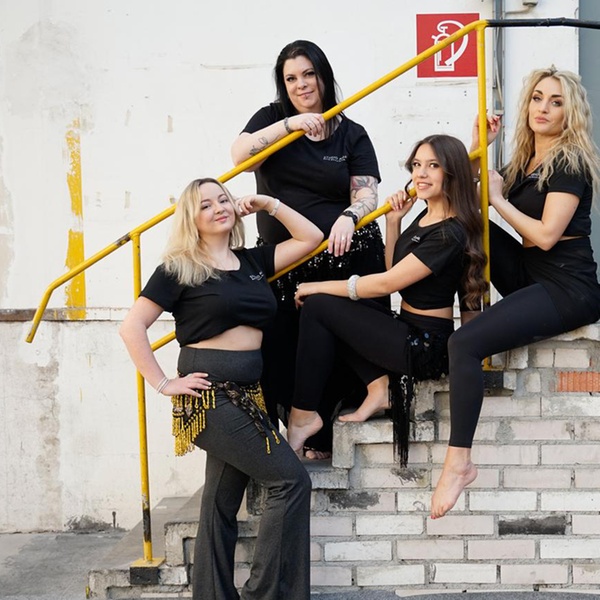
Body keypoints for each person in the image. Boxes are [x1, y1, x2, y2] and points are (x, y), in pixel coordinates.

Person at [119, 178, 323, 600]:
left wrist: (268, 202)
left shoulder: (252, 261)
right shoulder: (178, 268)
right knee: (291, 482)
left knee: (219, 505)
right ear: (191, 219)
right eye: (205, 204)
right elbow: (132, 327)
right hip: (209, 397)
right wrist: (163, 383)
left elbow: (311, 237)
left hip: (250, 394)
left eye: (223, 199)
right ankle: (263, 594)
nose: (218, 208)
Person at [432, 67, 600, 519]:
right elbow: (464, 196)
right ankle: (444, 324)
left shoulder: (569, 163)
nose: (543, 108)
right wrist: (477, 144)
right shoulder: (524, 161)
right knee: (461, 228)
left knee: (464, 344)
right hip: (530, 274)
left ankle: (459, 462)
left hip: (567, 286)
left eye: (556, 102)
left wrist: (499, 199)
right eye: (538, 98)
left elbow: (545, 236)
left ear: (570, 114)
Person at [286, 134, 487, 465]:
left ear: (452, 173)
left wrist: (318, 285)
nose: (421, 174)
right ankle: (377, 388)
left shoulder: (450, 232)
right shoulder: (425, 218)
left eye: (433, 166)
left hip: (424, 345)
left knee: (321, 305)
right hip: (407, 328)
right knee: (329, 308)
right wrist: (393, 221)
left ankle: (303, 414)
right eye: (417, 165)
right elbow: (395, 272)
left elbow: (385, 283)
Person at [231, 40, 387, 458]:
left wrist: (350, 215)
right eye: (291, 78)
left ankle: (322, 434)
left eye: (308, 74)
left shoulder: (351, 133)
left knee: (335, 338)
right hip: (286, 258)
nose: (301, 85)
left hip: (341, 252)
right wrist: (292, 125)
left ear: (323, 76)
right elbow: (240, 157)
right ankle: (288, 433)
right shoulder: (272, 118)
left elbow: (367, 193)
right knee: (279, 343)